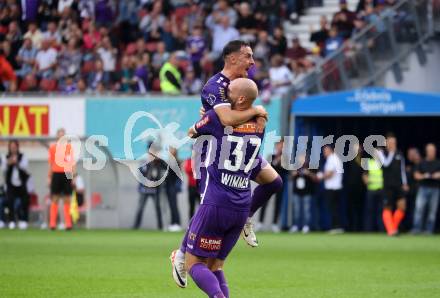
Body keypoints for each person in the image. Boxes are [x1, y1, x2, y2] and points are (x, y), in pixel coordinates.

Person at [170, 40, 283, 288]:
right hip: (215, 152)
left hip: (239, 147)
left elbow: (236, 115)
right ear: (232, 58)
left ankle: (246, 218)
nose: (253, 62)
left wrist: (255, 113)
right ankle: (181, 254)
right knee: (209, 206)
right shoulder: (215, 86)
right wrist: (256, 111)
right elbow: (227, 117)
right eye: (248, 57)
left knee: (274, 181)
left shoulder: (240, 86)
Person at [179, 78, 264, 297]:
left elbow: (192, 132)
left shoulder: (217, 119)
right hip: (242, 204)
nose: (224, 94)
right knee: (216, 266)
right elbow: (243, 119)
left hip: (216, 202)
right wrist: (257, 110)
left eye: (230, 92)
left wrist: (207, 115)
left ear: (241, 98)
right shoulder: (259, 123)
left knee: (192, 263)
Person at [379, 133, 408, 236]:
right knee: (388, 207)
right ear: (386, 143)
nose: (392, 144)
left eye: (394, 142)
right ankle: (391, 230)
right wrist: (391, 153)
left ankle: (393, 228)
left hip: (399, 185)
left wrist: (405, 183)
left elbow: (402, 170)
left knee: (402, 206)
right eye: (390, 142)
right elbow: (386, 164)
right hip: (388, 185)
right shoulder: (382, 153)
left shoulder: (399, 153)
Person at [257, 140, 288, 233]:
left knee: (278, 203)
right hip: (269, 183)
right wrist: (275, 161)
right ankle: (260, 223)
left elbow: (287, 171)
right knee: (264, 203)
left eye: (283, 145)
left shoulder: (285, 158)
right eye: (280, 145)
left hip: (280, 184)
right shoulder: (271, 156)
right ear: (276, 146)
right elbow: (266, 168)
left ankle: (274, 224)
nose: (281, 147)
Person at [48, 128, 75, 231]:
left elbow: (71, 163)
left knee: (67, 199)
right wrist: (49, 177)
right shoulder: (53, 148)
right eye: (60, 135)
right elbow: (50, 164)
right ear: (57, 137)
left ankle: (68, 224)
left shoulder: (69, 147)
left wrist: (73, 177)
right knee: (55, 198)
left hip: (67, 173)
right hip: (56, 174)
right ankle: (52, 224)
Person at [133, 143, 164, 230]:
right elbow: (139, 176)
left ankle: (160, 227)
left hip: (155, 190)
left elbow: (163, 173)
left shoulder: (159, 162)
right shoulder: (143, 161)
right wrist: (147, 183)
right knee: (140, 208)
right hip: (144, 189)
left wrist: (158, 160)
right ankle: (135, 226)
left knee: (158, 208)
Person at [412, 143, 440, 234]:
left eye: (433, 151)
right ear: (427, 151)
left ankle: (429, 230)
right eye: (430, 151)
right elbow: (416, 175)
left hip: (435, 189)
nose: (432, 152)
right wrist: (424, 176)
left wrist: (437, 175)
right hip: (423, 188)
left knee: (432, 211)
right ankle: (416, 229)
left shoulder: (438, 162)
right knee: (419, 209)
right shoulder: (421, 162)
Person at [2, 140, 30, 230]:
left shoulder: (23, 156)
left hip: (21, 183)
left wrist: (17, 162)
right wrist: (9, 162)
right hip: (11, 184)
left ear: (17, 147)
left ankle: (24, 220)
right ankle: (11, 221)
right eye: (11, 147)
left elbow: (25, 167)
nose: (13, 148)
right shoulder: (5, 157)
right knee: (10, 202)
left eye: (15, 147)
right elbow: (3, 168)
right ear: (9, 148)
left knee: (24, 201)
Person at [318, 145, 344, 233]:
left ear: (330, 150)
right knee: (335, 208)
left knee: (333, 208)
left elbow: (329, 174)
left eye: (325, 151)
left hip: (332, 188)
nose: (324, 153)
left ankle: (335, 227)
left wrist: (320, 176)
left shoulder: (332, 159)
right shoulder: (336, 158)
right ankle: (337, 227)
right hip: (336, 188)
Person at [291, 154, 316, 234]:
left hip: (307, 192)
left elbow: (315, 178)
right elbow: (290, 177)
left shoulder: (311, 167)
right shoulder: (296, 167)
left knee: (306, 210)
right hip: (297, 192)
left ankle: (306, 226)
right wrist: (294, 174)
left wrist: (308, 173)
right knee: (296, 210)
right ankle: (296, 226)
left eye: (303, 159)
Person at [344, 143, 366, 231]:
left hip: (361, 188)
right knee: (350, 208)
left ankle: (359, 227)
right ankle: (350, 227)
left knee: (360, 209)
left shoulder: (364, 160)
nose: (358, 150)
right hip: (350, 188)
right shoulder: (348, 159)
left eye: (359, 148)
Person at [363, 148, 384, 232]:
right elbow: (364, 174)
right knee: (370, 211)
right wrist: (366, 180)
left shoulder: (384, 163)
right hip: (371, 190)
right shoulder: (368, 162)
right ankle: (369, 230)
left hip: (381, 189)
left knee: (381, 211)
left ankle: (382, 230)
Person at [165, 147, 182, 232]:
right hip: (168, 186)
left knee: (174, 205)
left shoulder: (176, 162)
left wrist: (177, 187)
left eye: (172, 150)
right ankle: (173, 223)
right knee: (171, 206)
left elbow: (178, 176)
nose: (170, 152)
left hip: (173, 186)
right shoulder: (168, 161)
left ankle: (177, 223)